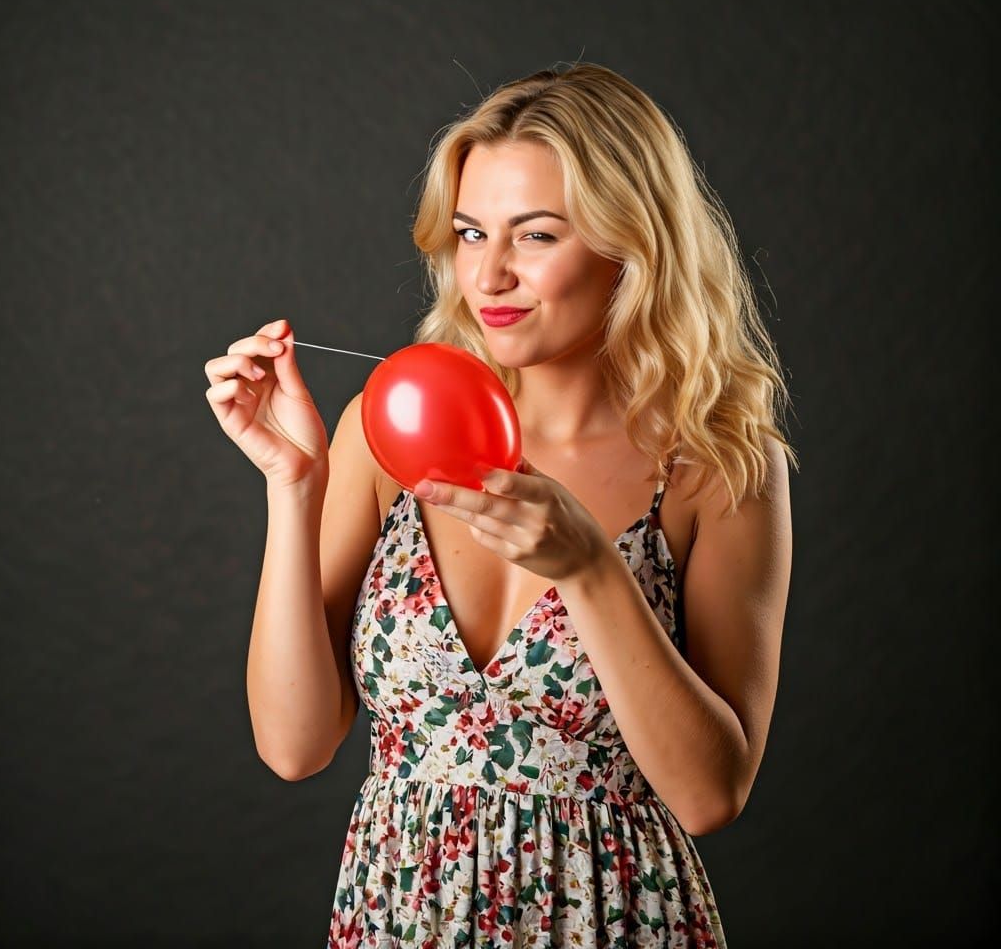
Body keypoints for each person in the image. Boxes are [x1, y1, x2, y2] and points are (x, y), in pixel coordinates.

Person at [205, 62, 795, 948]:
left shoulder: (717, 465)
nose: (489, 276)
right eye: (472, 232)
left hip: (613, 922)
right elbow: (295, 747)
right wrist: (294, 489)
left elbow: (713, 795)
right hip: (401, 917)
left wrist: (594, 571)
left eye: (537, 236)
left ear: (631, 244)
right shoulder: (388, 426)